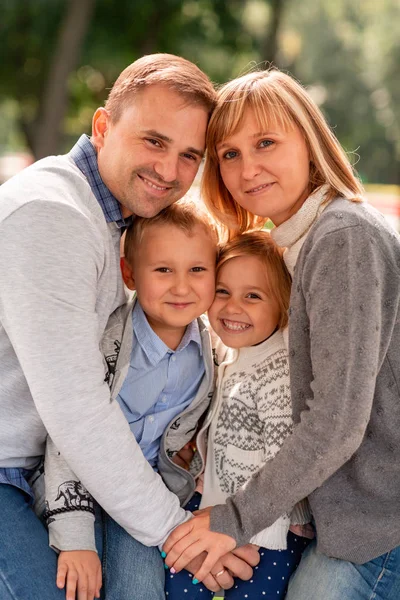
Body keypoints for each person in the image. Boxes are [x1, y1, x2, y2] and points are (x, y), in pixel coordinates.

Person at [163, 68, 400, 600]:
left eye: (266, 142)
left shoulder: (342, 238)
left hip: (379, 526)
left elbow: (337, 420)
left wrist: (235, 518)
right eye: (229, 153)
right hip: (326, 518)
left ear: (310, 144)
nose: (248, 169)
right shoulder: (290, 243)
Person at [0, 53, 217, 600]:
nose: (169, 171)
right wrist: (176, 531)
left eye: (189, 155)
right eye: (154, 141)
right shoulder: (54, 216)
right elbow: (77, 408)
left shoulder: (115, 219)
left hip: (40, 470)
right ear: (103, 127)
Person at [46, 201, 260, 600]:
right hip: (80, 487)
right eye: (163, 270)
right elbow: (67, 434)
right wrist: (75, 538)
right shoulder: (107, 344)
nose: (182, 286)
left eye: (197, 270)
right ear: (129, 273)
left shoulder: (212, 350)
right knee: (78, 582)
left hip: (149, 497)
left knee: (141, 589)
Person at [164, 230, 312, 600]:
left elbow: (286, 467)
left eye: (253, 296)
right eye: (223, 291)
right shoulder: (230, 352)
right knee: (178, 584)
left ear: (283, 304)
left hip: (268, 530)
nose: (232, 307)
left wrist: (246, 533)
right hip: (213, 505)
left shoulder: (278, 370)